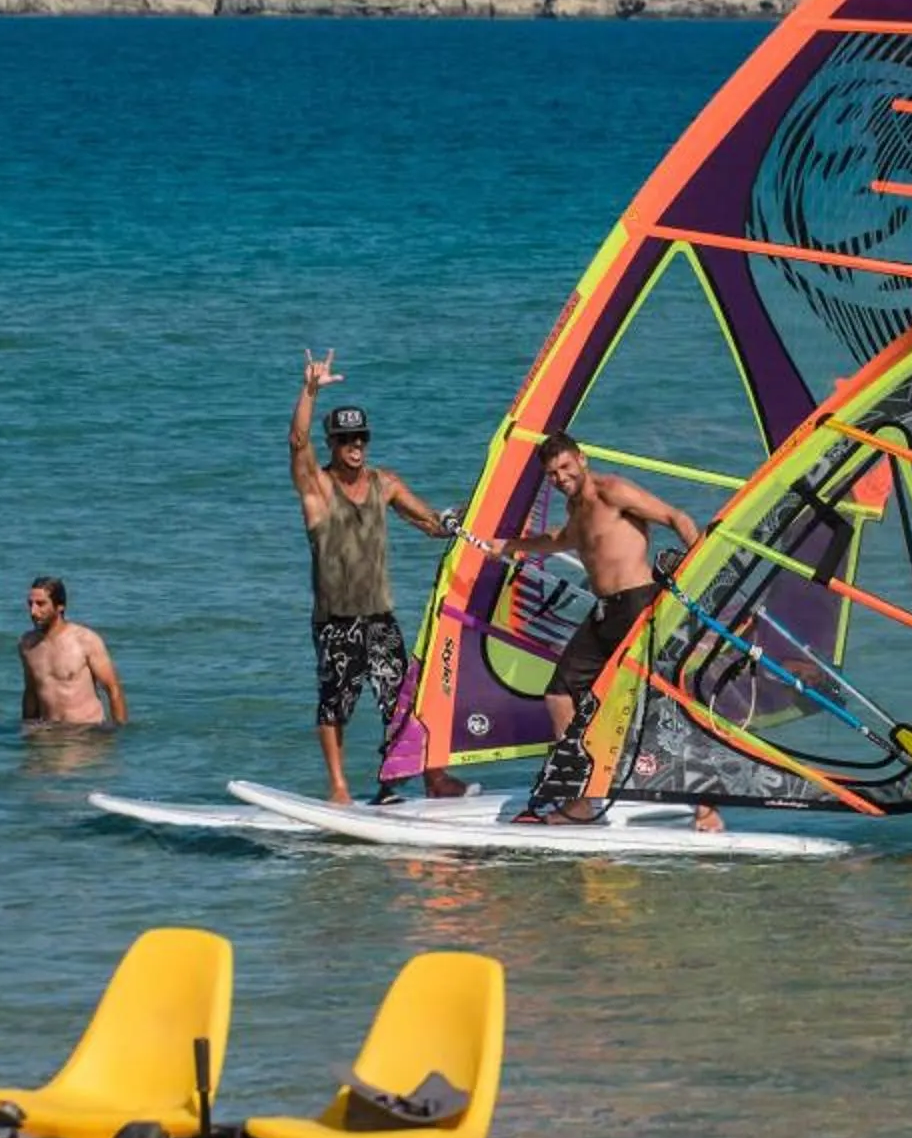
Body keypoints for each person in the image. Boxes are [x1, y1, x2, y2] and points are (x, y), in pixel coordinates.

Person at [487, 431, 719, 829]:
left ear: (582, 459)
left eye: (565, 467)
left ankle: (707, 809)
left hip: (639, 605)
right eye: (552, 473)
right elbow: (558, 540)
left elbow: (675, 518)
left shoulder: (613, 491)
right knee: (560, 694)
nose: (561, 477)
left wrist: (704, 580)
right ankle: (580, 801)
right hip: (604, 613)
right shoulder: (575, 509)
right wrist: (507, 546)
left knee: (660, 705)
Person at [293, 350, 471, 805]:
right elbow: (297, 443)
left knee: (404, 700)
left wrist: (471, 514)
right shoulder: (318, 488)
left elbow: (432, 524)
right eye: (346, 438)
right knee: (336, 704)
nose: (356, 444)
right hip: (336, 619)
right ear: (332, 443)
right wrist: (310, 391)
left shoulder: (383, 483)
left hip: (380, 617)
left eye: (361, 437)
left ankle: (421, 781)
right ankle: (338, 788)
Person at [18, 575, 126, 728]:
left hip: (86, 732)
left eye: (41, 604)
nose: (33, 611)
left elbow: (113, 689)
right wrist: (27, 728)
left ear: (60, 606)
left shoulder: (85, 640)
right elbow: (31, 692)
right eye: (30, 604)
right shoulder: (27, 644)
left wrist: (118, 733)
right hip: (50, 731)